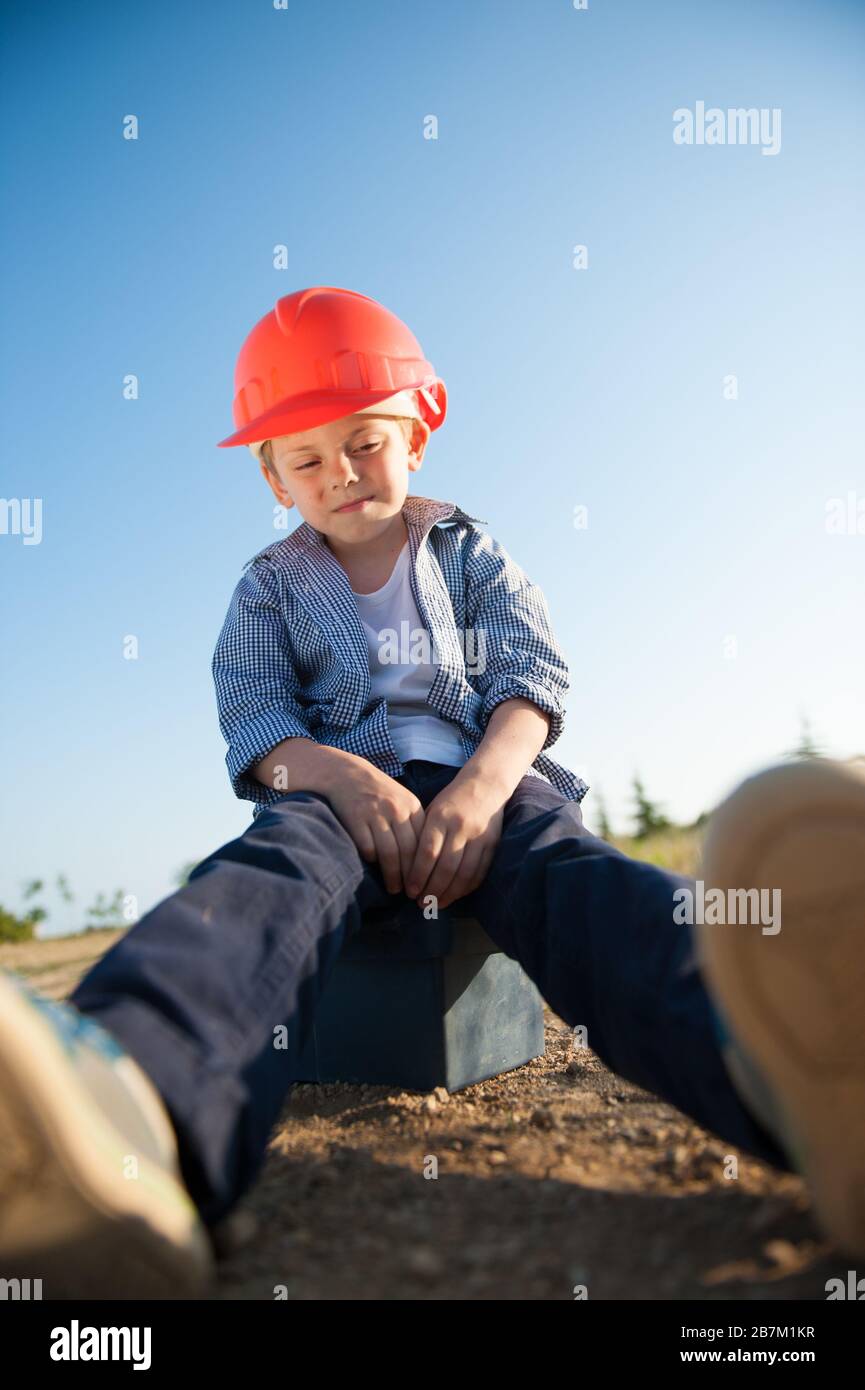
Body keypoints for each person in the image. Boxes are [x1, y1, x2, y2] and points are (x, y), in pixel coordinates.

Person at [1, 287, 862, 1300]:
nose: (339, 474)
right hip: (337, 798)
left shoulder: (468, 549)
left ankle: (771, 1057)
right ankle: (132, 1107)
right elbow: (257, 723)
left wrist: (484, 790)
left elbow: (530, 684)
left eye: (364, 442)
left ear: (419, 426)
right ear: (269, 470)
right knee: (264, 882)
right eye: (306, 458)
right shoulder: (268, 587)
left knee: (578, 884)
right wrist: (338, 776)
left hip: (487, 783)